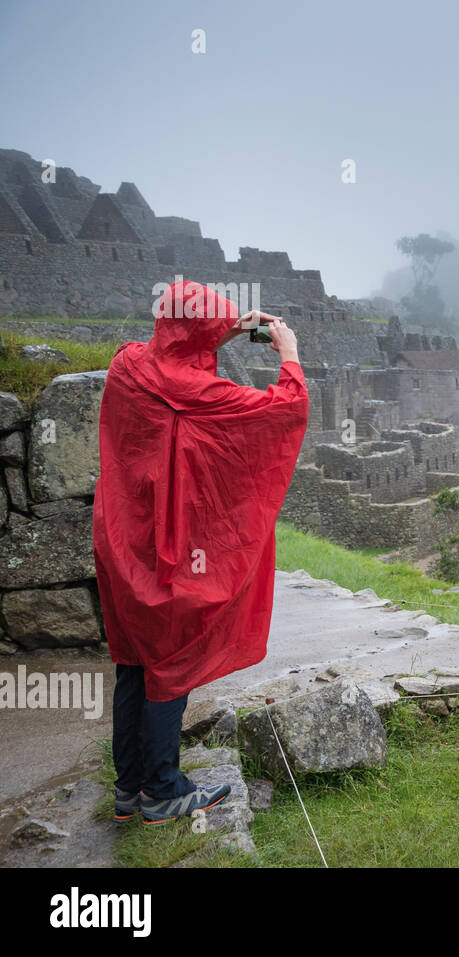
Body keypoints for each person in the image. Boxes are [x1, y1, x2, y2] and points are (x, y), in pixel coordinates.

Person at [93, 280, 309, 825]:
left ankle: (129, 789)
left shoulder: (127, 367)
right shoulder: (207, 396)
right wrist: (288, 354)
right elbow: (286, 410)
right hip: (173, 552)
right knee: (169, 663)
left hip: (123, 540)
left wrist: (227, 330)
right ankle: (163, 790)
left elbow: (176, 350)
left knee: (134, 661)